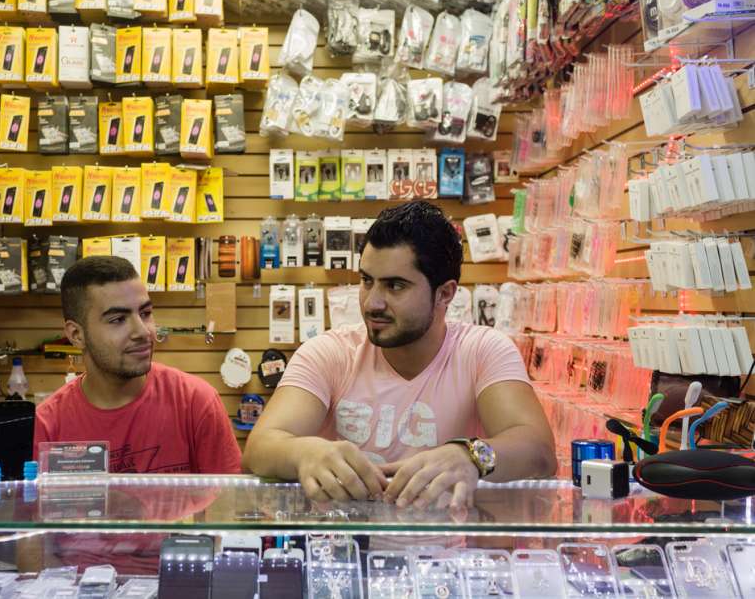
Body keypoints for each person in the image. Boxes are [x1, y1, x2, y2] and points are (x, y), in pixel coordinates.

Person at [243, 202, 555, 509]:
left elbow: (539, 452)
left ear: (445, 293)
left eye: (395, 286)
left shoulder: (483, 350)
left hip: (451, 554)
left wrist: (470, 456)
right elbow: (259, 449)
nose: (372, 302)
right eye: (367, 281)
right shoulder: (329, 353)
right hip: (347, 551)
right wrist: (304, 453)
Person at [34, 255, 241, 475]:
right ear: (77, 335)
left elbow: (229, 504)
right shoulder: (47, 427)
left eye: (145, 313)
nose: (143, 331)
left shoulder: (196, 403)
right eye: (118, 320)